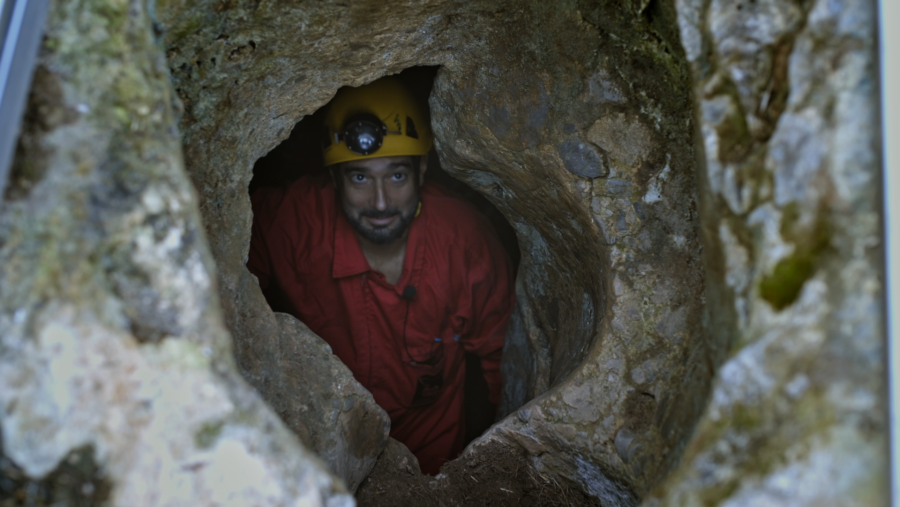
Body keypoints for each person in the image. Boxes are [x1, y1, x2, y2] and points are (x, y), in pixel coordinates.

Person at [247, 76, 515, 474]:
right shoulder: (295, 223)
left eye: (396, 175)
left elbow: (503, 356)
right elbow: (217, 255)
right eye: (359, 177)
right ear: (335, 177)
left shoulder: (464, 243)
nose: (380, 202)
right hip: (324, 451)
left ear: (422, 169)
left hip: (430, 459)